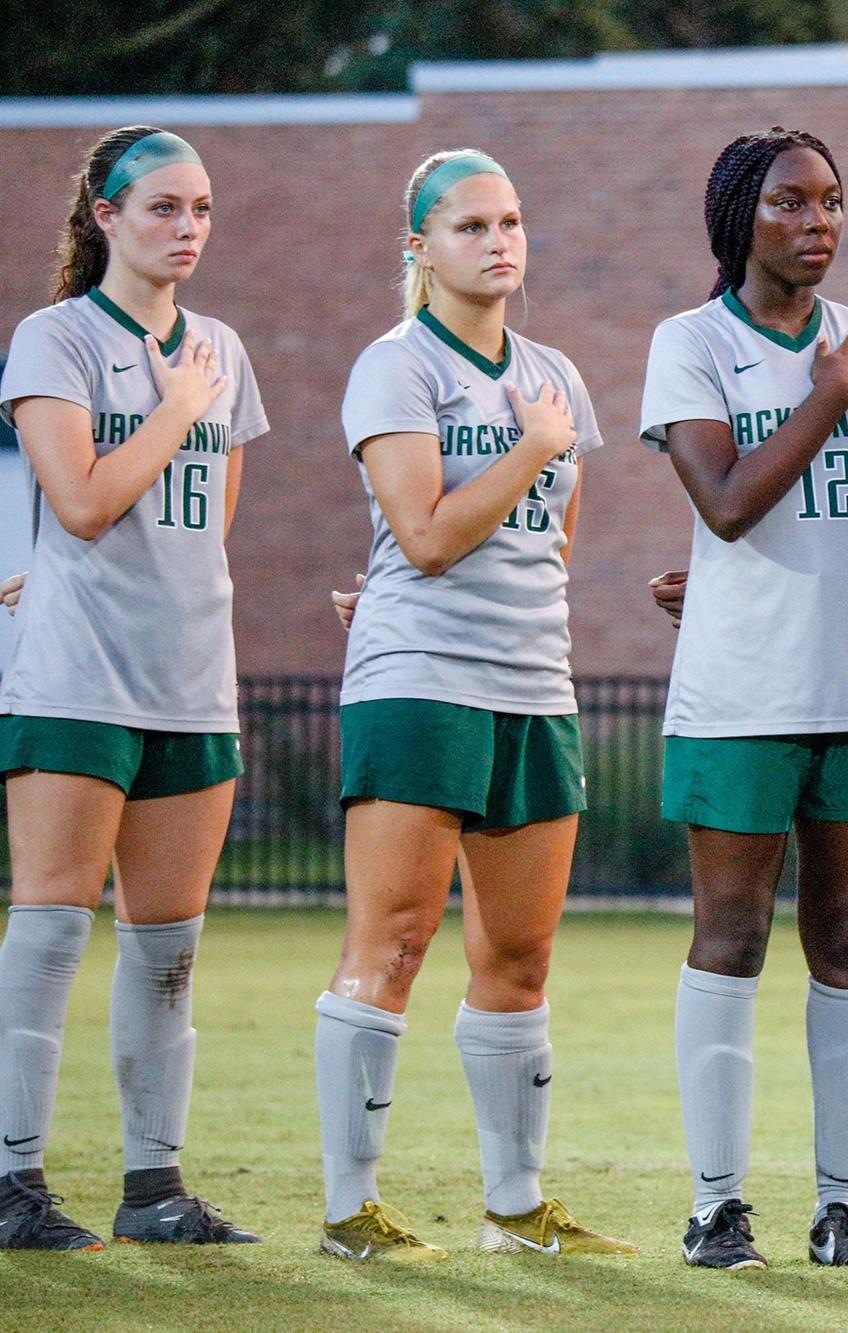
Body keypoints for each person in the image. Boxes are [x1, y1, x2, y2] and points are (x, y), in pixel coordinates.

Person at [314, 147, 633, 1262]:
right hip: (419, 683)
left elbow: (554, 542)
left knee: (520, 955)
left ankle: (515, 1207)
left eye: (509, 221)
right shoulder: (394, 367)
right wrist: (534, 447)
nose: (498, 243)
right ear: (420, 248)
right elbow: (433, 538)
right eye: (468, 227)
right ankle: (351, 1210)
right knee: (393, 941)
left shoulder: (555, 374)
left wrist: (548, 444)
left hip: (531, 690)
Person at [640, 127, 848, 1272]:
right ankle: (717, 1208)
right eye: (790, 203)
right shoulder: (690, 341)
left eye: (833, 202)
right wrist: (823, 401)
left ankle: (842, 1209)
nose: (818, 222)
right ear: (736, 222)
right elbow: (721, 504)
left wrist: (847, 396)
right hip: (740, 690)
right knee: (732, 935)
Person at [0, 126, 263, 1249]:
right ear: (103, 216)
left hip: (192, 680)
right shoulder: (54, 338)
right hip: (74, 675)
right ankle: (13, 1185)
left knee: (168, 944)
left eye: (200, 208)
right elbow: (84, 501)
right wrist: (173, 408)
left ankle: (154, 1189)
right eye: (161, 207)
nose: (186, 229)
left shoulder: (222, 349)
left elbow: (210, 527)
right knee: (53, 923)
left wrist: (191, 403)